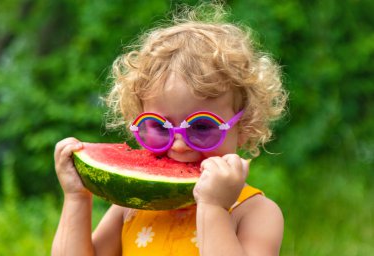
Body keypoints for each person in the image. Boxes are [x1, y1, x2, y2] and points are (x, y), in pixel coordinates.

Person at [52, 3, 287, 256]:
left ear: (244, 126)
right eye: (159, 127)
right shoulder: (132, 206)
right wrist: (77, 198)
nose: (179, 145)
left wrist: (214, 208)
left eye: (202, 126)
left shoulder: (255, 212)